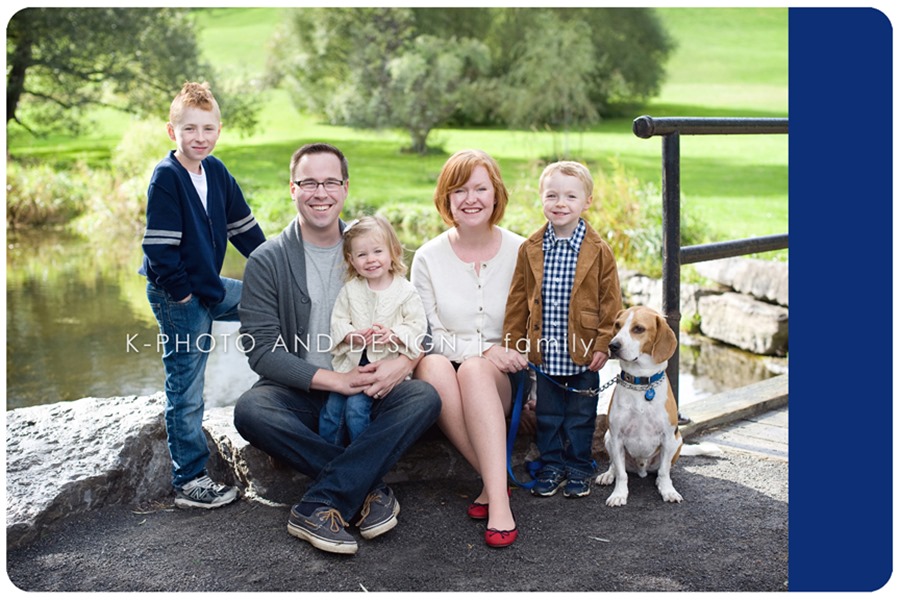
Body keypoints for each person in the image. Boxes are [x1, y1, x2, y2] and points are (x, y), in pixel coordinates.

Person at [233, 143, 441, 556]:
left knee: (424, 396)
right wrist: (335, 381)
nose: (320, 193)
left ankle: (319, 503)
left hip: (372, 387)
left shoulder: (372, 247)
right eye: (309, 182)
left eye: (330, 182)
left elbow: (423, 330)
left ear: (345, 188)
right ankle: (366, 490)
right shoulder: (267, 260)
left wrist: (401, 365)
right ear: (292, 188)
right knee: (251, 410)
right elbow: (260, 351)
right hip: (306, 394)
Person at [140, 81, 266, 509]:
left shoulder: (215, 171)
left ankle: (281, 400)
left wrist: (272, 268)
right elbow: (157, 248)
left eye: (208, 128)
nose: (200, 137)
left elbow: (243, 229)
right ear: (171, 132)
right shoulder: (167, 177)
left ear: (219, 129)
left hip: (207, 287)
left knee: (265, 304)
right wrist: (179, 295)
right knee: (187, 386)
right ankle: (189, 480)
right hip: (178, 297)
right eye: (190, 129)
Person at [411, 149, 527, 548]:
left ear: (496, 195)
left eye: (480, 188)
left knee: (476, 370)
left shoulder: (522, 251)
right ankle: (498, 487)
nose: (470, 198)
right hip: (448, 372)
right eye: (459, 190)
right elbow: (428, 332)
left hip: (501, 378)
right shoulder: (427, 257)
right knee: (432, 365)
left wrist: (497, 354)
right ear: (446, 199)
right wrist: (481, 349)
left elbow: (533, 324)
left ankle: (497, 503)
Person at [502, 160, 622, 499]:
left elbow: (611, 303)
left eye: (570, 196)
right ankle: (552, 465)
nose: (560, 203)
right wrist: (514, 343)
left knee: (581, 416)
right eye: (552, 195)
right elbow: (516, 301)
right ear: (541, 198)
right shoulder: (531, 249)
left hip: (583, 354)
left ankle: (580, 467)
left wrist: (602, 345)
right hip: (545, 354)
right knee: (549, 414)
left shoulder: (598, 252)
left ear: (587, 202)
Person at [319, 215, 428, 446]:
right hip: (351, 366)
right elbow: (338, 321)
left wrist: (394, 334)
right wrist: (352, 335)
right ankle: (327, 458)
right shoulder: (350, 290)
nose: (371, 260)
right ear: (351, 260)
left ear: (393, 252)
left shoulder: (405, 291)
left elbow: (417, 326)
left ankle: (364, 460)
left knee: (356, 409)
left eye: (378, 251)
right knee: (331, 411)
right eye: (362, 255)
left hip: (383, 367)